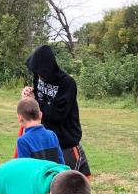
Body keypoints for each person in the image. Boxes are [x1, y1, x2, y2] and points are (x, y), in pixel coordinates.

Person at [24, 45, 91, 176]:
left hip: (66, 143)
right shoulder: (38, 76)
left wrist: (36, 101)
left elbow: (57, 114)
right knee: (47, 185)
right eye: (36, 72)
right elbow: (38, 100)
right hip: (46, 141)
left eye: (41, 72)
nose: (39, 75)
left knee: (71, 185)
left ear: (48, 68)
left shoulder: (67, 83)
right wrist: (28, 94)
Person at [15, 98, 64, 163]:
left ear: (20, 118)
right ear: (40, 114)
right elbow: (62, 164)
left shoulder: (23, 141)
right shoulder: (52, 135)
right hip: (55, 173)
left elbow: (25, 169)